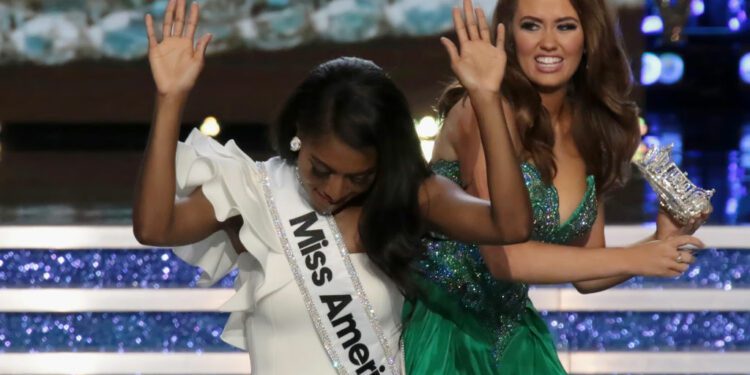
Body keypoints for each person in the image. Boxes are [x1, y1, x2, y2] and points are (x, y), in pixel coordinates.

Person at [132, 0, 535, 373]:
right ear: (298, 135)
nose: (336, 190)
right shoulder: (253, 191)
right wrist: (170, 99)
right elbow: (155, 228)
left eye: (359, 177)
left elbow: (511, 226)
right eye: (320, 169)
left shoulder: (406, 197)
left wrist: (486, 99)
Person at [403, 0, 709, 373]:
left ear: (588, 37)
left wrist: (658, 242)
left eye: (565, 26)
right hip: (448, 336)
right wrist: (637, 259)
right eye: (532, 26)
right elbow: (505, 260)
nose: (548, 42)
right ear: (511, 36)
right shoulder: (482, 109)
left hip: (516, 337)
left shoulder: (590, 129)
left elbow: (587, 269)